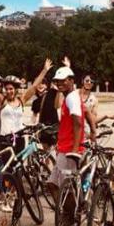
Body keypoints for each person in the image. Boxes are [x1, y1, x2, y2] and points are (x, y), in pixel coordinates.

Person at [47, 65, 85, 212]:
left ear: (71, 80)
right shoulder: (69, 97)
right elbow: (84, 113)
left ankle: (69, 219)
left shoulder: (71, 98)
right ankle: (65, 216)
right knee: (51, 183)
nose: (59, 84)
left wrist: (75, 151)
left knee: (65, 187)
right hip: (64, 148)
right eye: (57, 81)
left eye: (63, 81)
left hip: (69, 151)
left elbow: (78, 123)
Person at [0, 60, 53, 144]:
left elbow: (34, 85)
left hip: (19, 138)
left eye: (11, 89)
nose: (9, 91)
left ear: (16, 89)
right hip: (5, 139)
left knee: (22, 157)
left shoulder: (21, 100)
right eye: (6, 89)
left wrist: (44, 70)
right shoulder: (2, 100)